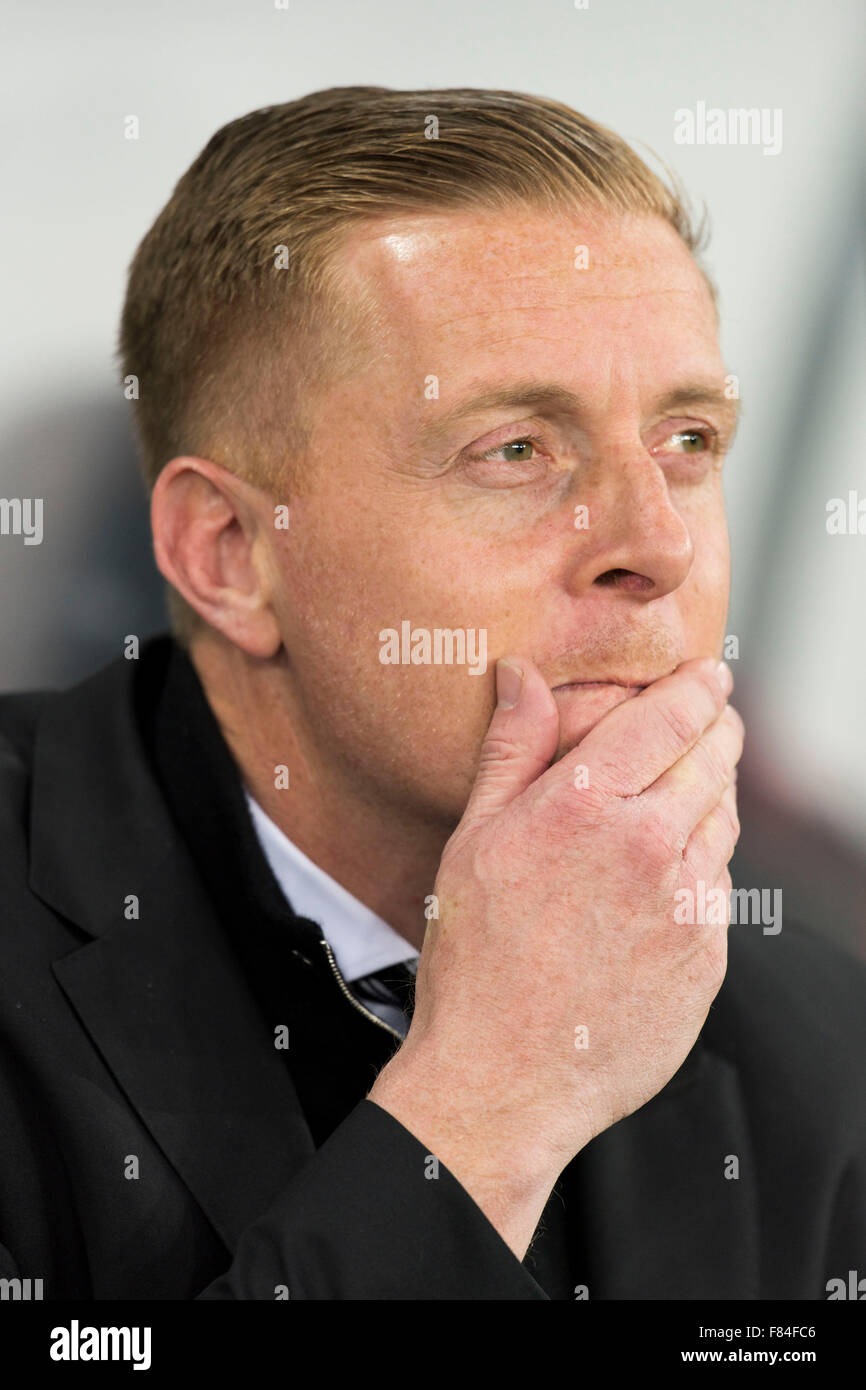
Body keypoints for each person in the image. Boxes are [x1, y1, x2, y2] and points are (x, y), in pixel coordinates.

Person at [1, 86, 863, 1301]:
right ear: (230, 554)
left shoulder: (817, 1050)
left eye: (686, 443)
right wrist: (489, 1107)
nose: (654, 544)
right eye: (515, 450)